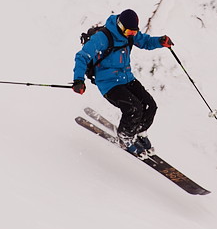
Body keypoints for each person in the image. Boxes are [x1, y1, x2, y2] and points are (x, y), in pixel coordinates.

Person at [72, 9, 173, 156]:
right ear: (120, 25)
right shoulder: (102, 38)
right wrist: (78, 80)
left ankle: (139, 131)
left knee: (150, 105)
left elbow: (145, 41)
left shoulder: (130, 34)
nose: (131, 35)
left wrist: (160, 41)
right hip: (108, 83)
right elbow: (82, 56)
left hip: (126, 78)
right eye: (129, 32)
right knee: (134, 108)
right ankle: (125, 137)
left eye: (133, 33)